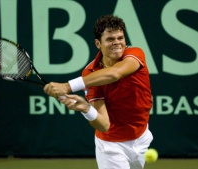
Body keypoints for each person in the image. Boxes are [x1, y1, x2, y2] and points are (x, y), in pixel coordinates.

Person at [44, 14, 153, 169]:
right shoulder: (90, 74)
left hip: (141, 136)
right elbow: (104, 125)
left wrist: (67, 86)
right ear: (98, 43)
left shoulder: (135, 54)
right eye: (110, 39)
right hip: (111, 146)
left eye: (120, 38)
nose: (117, 43)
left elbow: (114, 74)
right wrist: (86, 108)